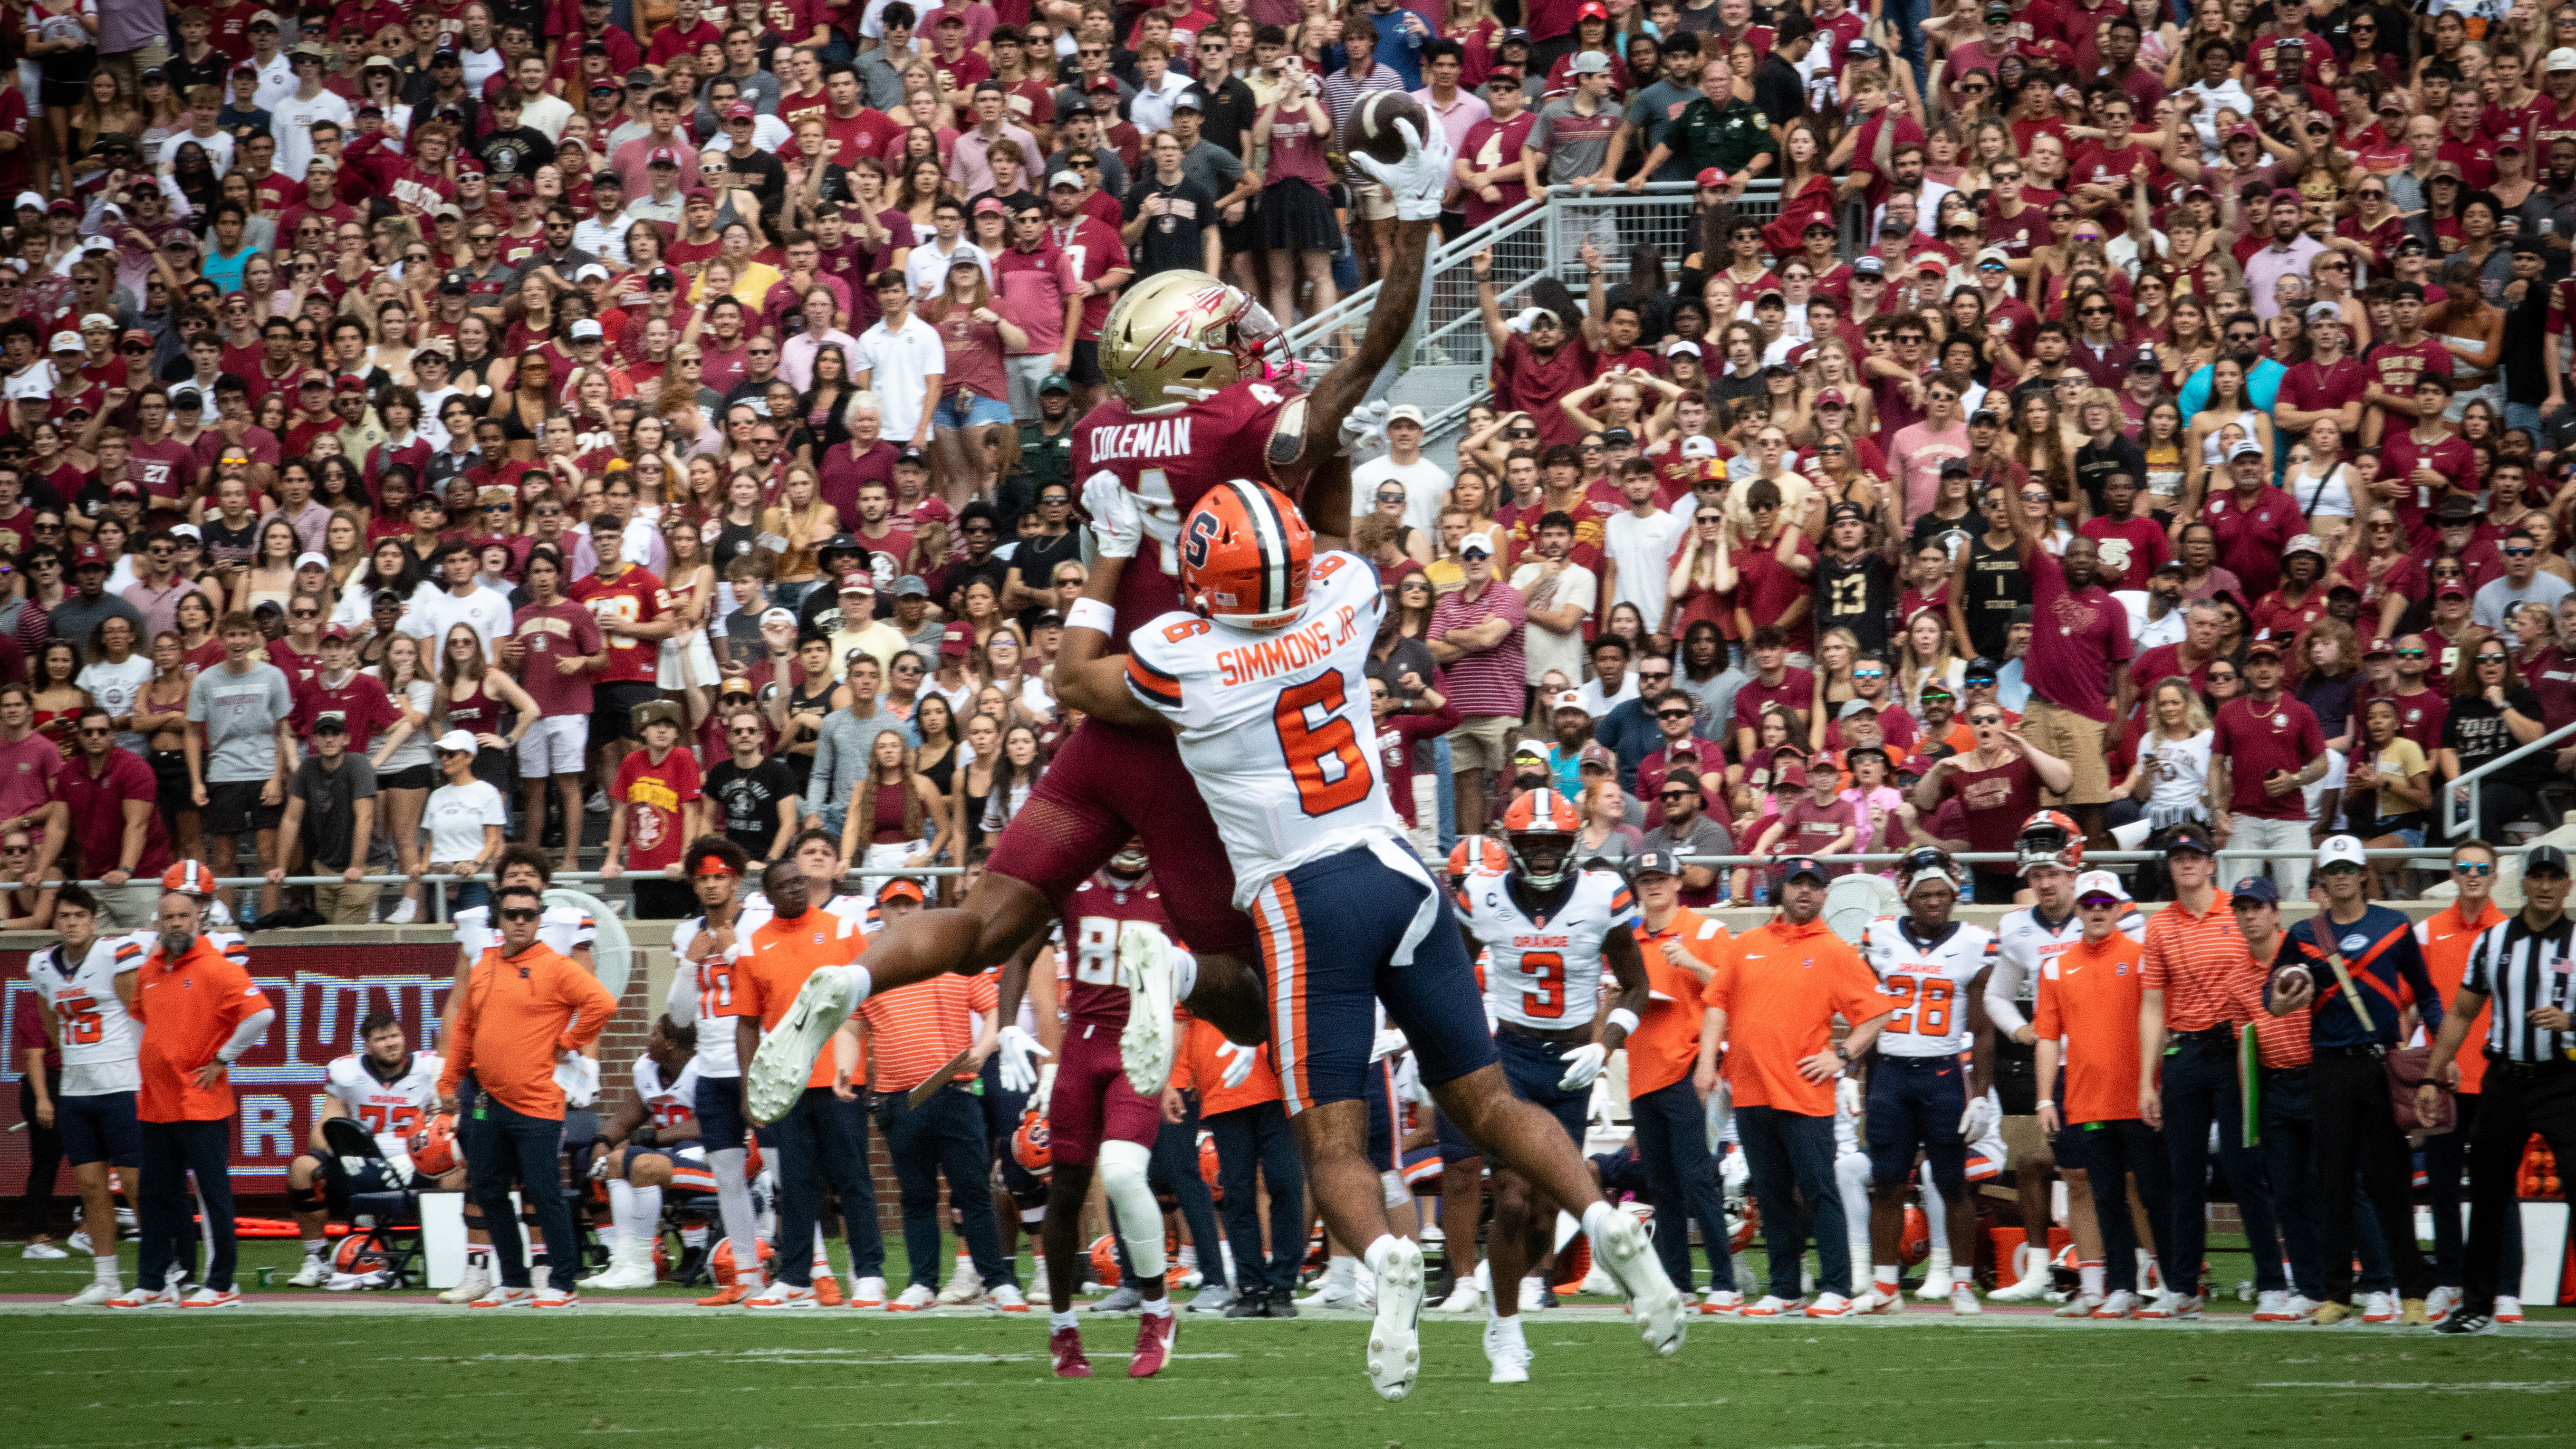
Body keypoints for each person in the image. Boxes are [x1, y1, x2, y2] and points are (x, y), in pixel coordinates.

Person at [738, 125, 1455, 1307]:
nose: (1242, 344)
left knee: (977, 922)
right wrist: (1412, 222)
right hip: (1190, 721)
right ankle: (1186, 989)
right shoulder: (1238, 425)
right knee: (1248, 985)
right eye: (1219, 336)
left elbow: (1123, 542)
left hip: (1096, 718)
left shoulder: (1100, 434)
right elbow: (1369, 356)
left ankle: (853, 981)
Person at [1454, 787, 1652, 1379]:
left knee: (1545, 1210)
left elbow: (1636, 985)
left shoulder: (1602, 893)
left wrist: (1603, 1043)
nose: (1542, 855)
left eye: (1553, 843)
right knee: (1512, 1194)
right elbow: (1451, 974)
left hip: (1572, 1063)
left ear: (1571, 845)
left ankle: (1506, 1298)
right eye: (1531, 844)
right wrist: (1468, 1041)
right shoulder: (1482, 895)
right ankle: (1506, 1331)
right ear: (1511, 845)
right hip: (1510, 1058)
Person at [2259, 835, 2444, 1326]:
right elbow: (2269, 992)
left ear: (2363, 873)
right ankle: (2337, 1293)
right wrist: (2279, 1001)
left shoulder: (2394, 925)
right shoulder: (2301, 934)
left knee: (2391, 1182)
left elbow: (2426, 994)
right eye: (2331, 869)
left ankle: (2411, 1292)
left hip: (2380, 1064)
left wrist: (2441, 1051)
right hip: (2328, 1065)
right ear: (2320, 877)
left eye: (2348, 867)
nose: (2340, 876)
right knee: (2332, 1181)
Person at [1700, 854, 1895, 1318]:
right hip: (1749, 1091)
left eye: (1813, 885)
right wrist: (1706, 1062)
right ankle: (1784, 1287)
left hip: (1804, 1093)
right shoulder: (1745, 943)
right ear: (1779, 889)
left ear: (1825, 894)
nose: (1804, 892)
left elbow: (1878, 1012)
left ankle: (1836, 1287)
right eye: (1795, 884)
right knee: (1768, 1192)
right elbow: (1715, 1005)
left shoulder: (1834, 951)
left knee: (1817, 1189)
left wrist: (1842, 1055)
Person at [1017, 849, 1187, 1375]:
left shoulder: (1173, 888)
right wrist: (1011, 1031)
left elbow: (1209, 971)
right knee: (1065, 1192)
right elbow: (1021, 953)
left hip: (1137, 1045)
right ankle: (1062, 1328)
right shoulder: (1070, 882)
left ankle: (1157, 1310)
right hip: (1080, 1050)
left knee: (1120, 1171)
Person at [837, 864, 1022, 1315]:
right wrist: (846, 1068)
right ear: (881, 911)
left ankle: (997, 1280)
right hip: (901, 1095)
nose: (902, 912)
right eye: (894, 905)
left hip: (955, 1089)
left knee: (973, 1190)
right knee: (916, 1194)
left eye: (910, 905)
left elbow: (998, 1007)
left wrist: (983, 1046)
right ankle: (922, 1281)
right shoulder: (870, 965)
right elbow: (850, 1025)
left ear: (923, 910)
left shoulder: (954, 958)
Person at [433, 879, 619, 1308]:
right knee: (490, 1188)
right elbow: (464, 1031)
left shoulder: (556, 966)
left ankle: (563, 1282)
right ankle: (514, 1280)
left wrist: (571, 1041)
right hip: (485, 1098)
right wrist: (447, 1082)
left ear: (539, 920)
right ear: (498, 919)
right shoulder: (483, 968)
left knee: (543, 1189)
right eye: (513, 913)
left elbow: (602, 1004)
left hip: (536, 1100)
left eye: (529, 914)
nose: (521, 921)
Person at [2419, 841, 2576, 1336]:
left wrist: (2570, 1019)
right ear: (2523, 883)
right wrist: (2431, 1073)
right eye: (2537, 877)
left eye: (2555, 877)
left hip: (2563, 1081)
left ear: (2567, 885)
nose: (2546, 886)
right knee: (2486, 1195)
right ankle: (2476, 1304)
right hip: (2504, 1080)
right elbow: (2461, 1012)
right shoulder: (2494, 942)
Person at [723, 856, 884, 1309]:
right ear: (768, 895)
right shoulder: (753, 946)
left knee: (852, 1177)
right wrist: (749, 1090)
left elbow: (868, 1000)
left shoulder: (840, 930)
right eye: (785, 884)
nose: (796, 888)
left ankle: (869, 1274)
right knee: (794, 1184)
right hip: (786, 1082)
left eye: (800, 881)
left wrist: (866, 1065)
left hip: (839, 1076)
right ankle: (795, 1279)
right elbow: (747, 1025)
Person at [109, 887, 273, 1310]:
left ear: (197, 919)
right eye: (170, 917)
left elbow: (262, 1014)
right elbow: (141, 1025)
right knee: (155, 1194)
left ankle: (221, 1284)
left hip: (200, 1100)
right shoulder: (149, 970)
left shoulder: (218, 969)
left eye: (184, 915)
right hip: (157, 1102)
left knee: (211, 1194)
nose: (177, 923)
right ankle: (153, 1281)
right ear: (158, 923)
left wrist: (223, 1057)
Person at [1851, 848, 1994, 1316]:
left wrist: (1980, 1092)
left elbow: (1983, 1027)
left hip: (1942, 1073)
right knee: (1888, 1182)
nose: (1933, 902)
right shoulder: (1878, 937)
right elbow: (1867, 1013)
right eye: (1924, 894)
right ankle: (1885, 1286)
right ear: (1906, 898)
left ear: (1954, 895)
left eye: (1941, 894)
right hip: (1890, 1072)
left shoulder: (1974, 943)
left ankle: (1960, 1284)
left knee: (1951, 1183)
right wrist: (1857, 1077)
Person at [2032, 867, 2169, 1321]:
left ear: (2118, 908)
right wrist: (2045, 1098)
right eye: (2088, 904)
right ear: (2078, 909)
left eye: (2104, 904)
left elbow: (2159, 1023)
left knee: (2152, 1193)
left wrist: (2154, 1084)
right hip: (2087, 1100)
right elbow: (2049, 1037)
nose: (2096, 911)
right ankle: (2123, 1286)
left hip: (2137, 1098)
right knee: (2106, 1196)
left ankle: (2173, 1283)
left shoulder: (2144, 956)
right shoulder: (2056, 966)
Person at [2413, 838, 2516, 1325]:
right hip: (2445, 1082)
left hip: (2497, 1081)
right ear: (2451, 875)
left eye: (2481, 867)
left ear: (2495, 875)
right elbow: (2410, 1004)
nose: (2472, 873)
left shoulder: (2511, 934)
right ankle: (2448, 1282)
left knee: (2499, 1190)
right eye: (2463, 867)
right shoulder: (2427, 932)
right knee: (2441, 1188)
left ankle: (2507, 1289)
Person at [29, 884, 141, 1307]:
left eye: (79, 915)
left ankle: (161, 1272)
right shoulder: (42, 964)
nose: (72, 922)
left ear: (94, 920)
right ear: (55, 922)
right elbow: (51, 1024)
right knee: (91, 1187)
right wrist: (79, 1061)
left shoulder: (115, 953)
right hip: (76, 1090)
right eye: (65, 916)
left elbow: (140, 1013)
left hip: (122, 1084)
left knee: (135, 1183)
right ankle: (107, 1278)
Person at [282, 1010, 445, 1287]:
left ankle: (440, 1255)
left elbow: (448, 1122)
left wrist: (422, 1156)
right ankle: (317, 1260)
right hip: (365, 1163)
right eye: (382, 1039)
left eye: (395, 1036)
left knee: (456, 1169)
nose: (391, 1043)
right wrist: (345, 1155)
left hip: (417, 1162)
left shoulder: (430, 1068)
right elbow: (324, 1126)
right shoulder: (347, 1072)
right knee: (303, 1168)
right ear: (367, 1046)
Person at [576, 1012, 714, 1293]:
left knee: (677, 1152)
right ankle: (615, 1254)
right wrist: (603, 1141)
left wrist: (654, 1137)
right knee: (599, 1161)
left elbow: (710, 1123)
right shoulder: (648, 1070)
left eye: (655, 1034)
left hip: (702, 1151)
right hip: (660, 1151)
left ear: (671, 1043)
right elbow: (625, 1120)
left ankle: (693, 1251)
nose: (648, 1039)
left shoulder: (704, 1070)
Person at [183, 611, 295, 924]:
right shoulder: (205, 680)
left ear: (253, 638)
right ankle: (224, 926)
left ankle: (271, 921)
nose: (237, 641)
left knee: (267, 855)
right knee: (222, 858)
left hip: (263, 773)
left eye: (243, 634)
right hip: (223, 774)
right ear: (222, 639)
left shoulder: (273, 676)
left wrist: (277, 777)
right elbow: (192, 731)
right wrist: (197, 781)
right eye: (231, 635)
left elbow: (283, 729)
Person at [2210, 637, 2330, 898]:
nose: (2264, 670)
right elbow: (2216, 764)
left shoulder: (2301, 711)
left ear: (2281, 670)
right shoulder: (2229, 712)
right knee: (2237, 895)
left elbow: (2323, 764)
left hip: (2290, 818)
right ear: (2247, 671)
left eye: (2270, 663)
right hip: (2244, 817)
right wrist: (2217, 808)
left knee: (2295, 893)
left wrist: (2294, 780)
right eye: (2257, 664)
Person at [271, 711, 380, 924]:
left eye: (335, 733)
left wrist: (356, 866)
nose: (329, 739)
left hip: (367, 865)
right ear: (314, 740)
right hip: (325, 867)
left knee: (341, 939)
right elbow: (291, 819)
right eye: (323, 734)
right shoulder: (307, 768)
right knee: (325, 943)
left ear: (346, 739)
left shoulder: (359, 764)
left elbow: (365, 818)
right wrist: (280, 867)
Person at [602, 700, 705, 918]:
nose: (662, 730)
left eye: (669, 725)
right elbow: (620, 814)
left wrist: (684, 860)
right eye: (656, 724)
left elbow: (692, 812)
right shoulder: (631, 761)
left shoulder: (683, 757)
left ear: (677, 732)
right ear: (643, 731)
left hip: (674, 871)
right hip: (642, 869)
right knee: (646, 929)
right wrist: (612, 860)